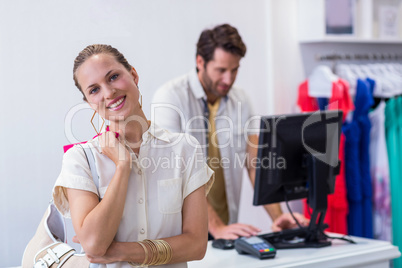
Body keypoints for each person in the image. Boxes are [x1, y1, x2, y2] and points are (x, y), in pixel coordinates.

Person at [53, 44, 214, 267]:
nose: (108, 93)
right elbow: (94, 245)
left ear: (134, 75)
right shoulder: (80, 159)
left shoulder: (184, 148)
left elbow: (196, 246)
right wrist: (122, 166)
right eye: (94, 90)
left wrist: (121, 251)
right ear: (89, 103)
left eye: (113, 77)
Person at [152, 24, 308, 240]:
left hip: (226, 229)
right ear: (200, 62)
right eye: (221, 70)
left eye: (234, 70)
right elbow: (176, 171)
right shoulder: (169, 98)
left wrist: (277, 217)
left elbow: (255, 165)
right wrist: (215, 227)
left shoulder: (241, 100)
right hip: (181, 232)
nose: (229, 79)